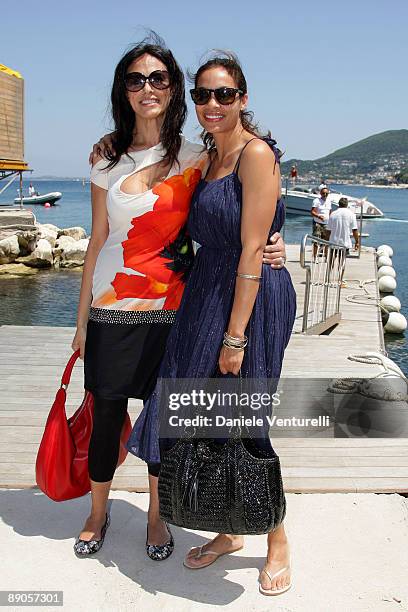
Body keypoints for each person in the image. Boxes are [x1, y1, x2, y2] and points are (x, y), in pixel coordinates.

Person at [72, 36, 287, 560]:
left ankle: (168, 520)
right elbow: (99, 240)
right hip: (126, 308)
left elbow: (249, 219)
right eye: (135, 80)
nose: (147, 88)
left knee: (194, 419)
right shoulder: (115, 157)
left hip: (186, 307)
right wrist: (80, 322)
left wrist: (273, 243)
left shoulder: (200, 153)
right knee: (123, 415)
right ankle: (104, 515)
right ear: (123, 91)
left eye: (158, 79)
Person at [127, 52, 296, 596]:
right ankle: (229, 529)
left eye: (224, 94)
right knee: (193, 409)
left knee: (244, 416)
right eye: (202, 94)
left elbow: (252, 248)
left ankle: (277, 540)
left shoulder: (254, 155)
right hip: (207, 292)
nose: (213, 104)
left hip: (248, 298)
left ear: (243, 98)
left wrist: (235, 336)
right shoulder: (209, 157)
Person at [311, 185, 332, 258]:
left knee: (326, 241)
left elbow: (329, 212)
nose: (325, 195)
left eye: (326, 193)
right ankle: (314, 257)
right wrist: (318, 216)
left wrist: (331, 220)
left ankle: (326, 256)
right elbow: (312, 212)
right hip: (318, 223)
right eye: (323, 193)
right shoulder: (316, 201)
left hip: (326, 223)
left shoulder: (329, 201)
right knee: (316, 240)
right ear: (320, 193)